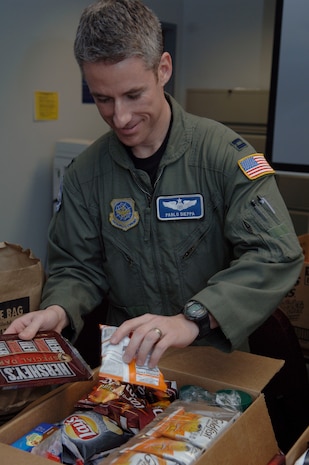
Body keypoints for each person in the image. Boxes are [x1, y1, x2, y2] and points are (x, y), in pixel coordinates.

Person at [5, 0, 303, 370]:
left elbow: (275, 254)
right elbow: (76, 268)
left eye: (133, 95)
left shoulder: (224, 156)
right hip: (127, 360)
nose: (121, 117)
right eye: (103, 99)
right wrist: (58, 309)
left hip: (213, 356)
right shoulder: (86, 173)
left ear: (163, 69)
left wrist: (192, 318)